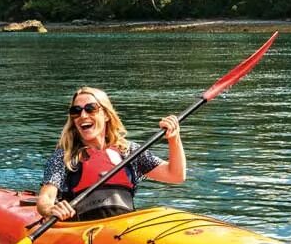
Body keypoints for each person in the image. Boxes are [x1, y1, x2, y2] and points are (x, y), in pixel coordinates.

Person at [35, 86, 185, 221]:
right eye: (76, 111)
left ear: (106, 114)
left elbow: (175, 175)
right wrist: (50, 209)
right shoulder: (65, 156)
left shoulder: (129, 151)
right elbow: (46, 196)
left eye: (90, 108)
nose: (82, 115)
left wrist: (174, 139)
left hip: (124, 230)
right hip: (83, 232)